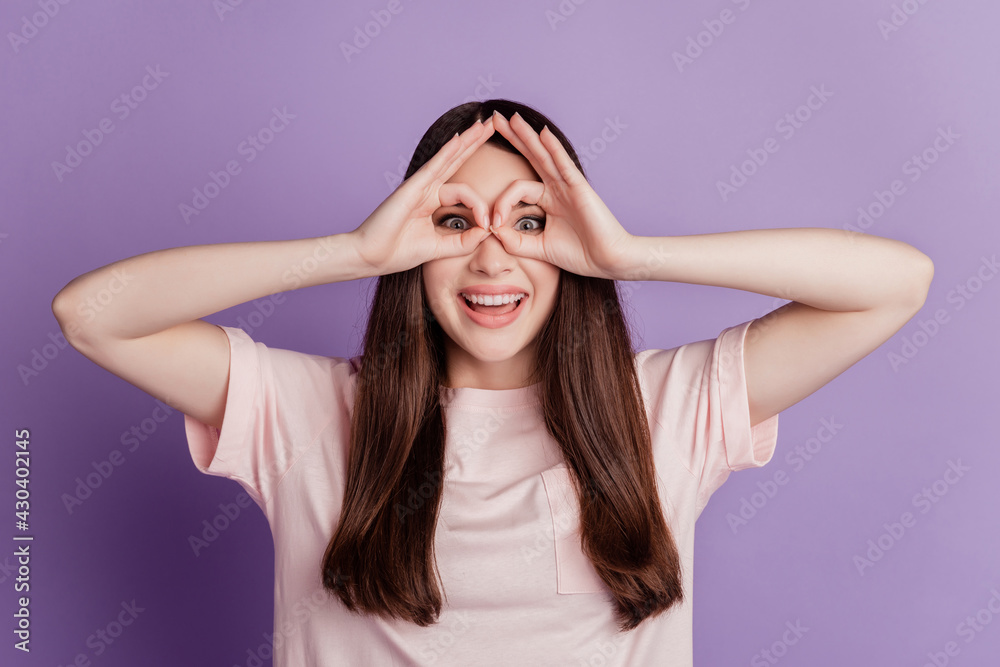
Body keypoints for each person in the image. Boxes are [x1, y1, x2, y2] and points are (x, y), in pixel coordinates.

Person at [51, 99, 934, 666]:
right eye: (452, 219)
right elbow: (93, 312)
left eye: (530, 220)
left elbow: (897, 283)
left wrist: (634, 256)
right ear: (413, 241)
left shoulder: (665, 407)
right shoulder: (306, 413)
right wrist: (353, 253)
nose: (492, 254)